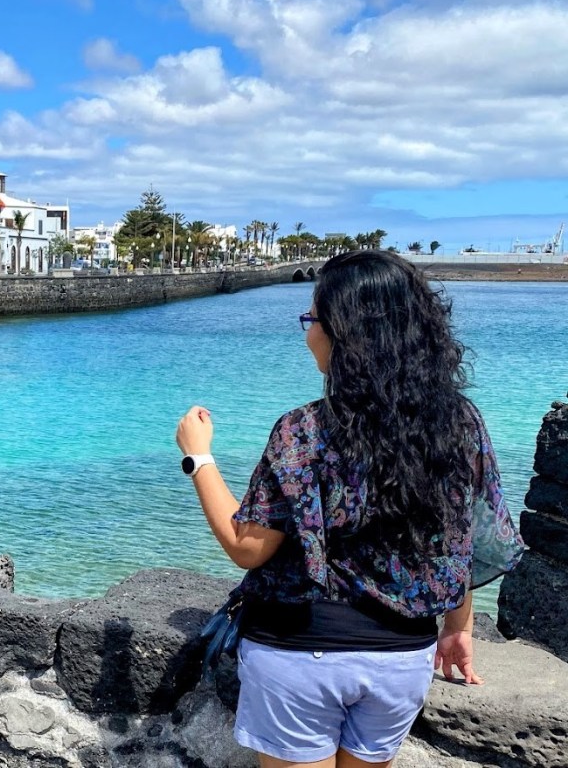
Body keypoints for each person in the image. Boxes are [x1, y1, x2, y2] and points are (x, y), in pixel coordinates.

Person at [176, 249, 523, 768]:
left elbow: (247, 546)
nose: (306, 333)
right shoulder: (459, 424)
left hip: (300, 651)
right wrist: (457, 628)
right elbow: (460, 540)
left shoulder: (305, 429)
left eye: (312, 318)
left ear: (346, 334)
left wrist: (198, 456)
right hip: (400, 658)